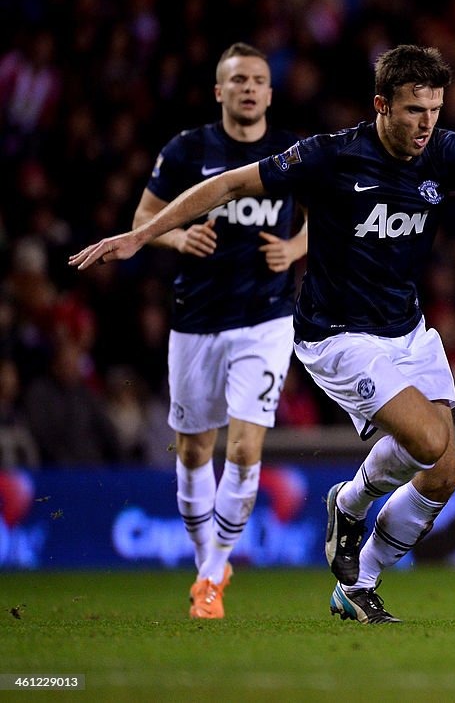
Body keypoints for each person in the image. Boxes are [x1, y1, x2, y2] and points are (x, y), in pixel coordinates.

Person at [71, 44, 455, 624]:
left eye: (435, 110)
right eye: (414, 110)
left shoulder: (445, 153)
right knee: (428, 442)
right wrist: (143, 235)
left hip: (407, 331)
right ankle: (351, 501)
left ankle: (358, 583)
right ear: (381, 105)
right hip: (338, 336)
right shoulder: (332, 156)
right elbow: (230, 185)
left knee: (444, 474)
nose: (426, 124)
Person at [132, 42, 307, 618]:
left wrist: (294, 247)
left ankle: (211, 577)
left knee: (246, 446)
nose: (249, 88)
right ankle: (209, 558)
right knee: (192, 452)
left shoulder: (290, 152)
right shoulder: (188, 150)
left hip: (265, 319)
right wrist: (179, 237)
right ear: (219, 91)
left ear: (270, 92)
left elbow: (327, 219)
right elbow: (142, 222)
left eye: (258, 79)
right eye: (238, 81)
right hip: (196, 320)